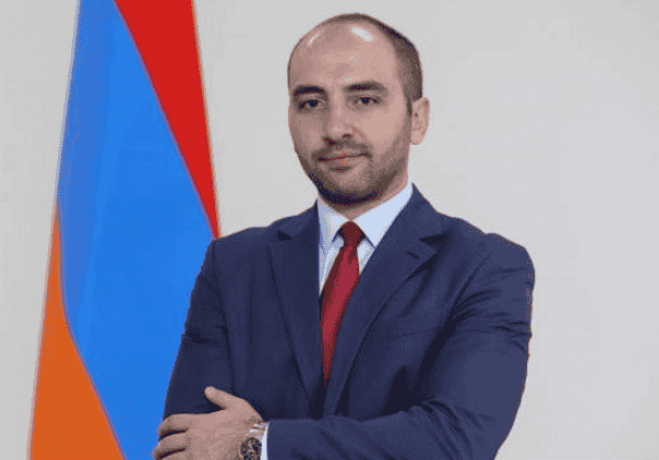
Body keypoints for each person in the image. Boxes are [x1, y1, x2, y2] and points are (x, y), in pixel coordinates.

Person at [154, 12, 533, 460]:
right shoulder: (232, 265)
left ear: (417, 119)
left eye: (364, 100)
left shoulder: (485, 267)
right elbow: (188, 445)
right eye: (311, 103)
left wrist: (259, 443)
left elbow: (451, 441)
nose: (335, 128)